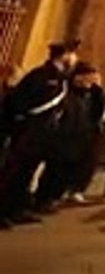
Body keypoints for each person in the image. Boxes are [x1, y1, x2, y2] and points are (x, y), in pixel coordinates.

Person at [0, 39, 78, 227]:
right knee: (13, 173)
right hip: (28, 134)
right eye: (73, 54)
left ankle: (17, 208)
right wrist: (19, 126)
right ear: (64, 55)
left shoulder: (61, 79)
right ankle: (3, 210)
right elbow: (18, 103)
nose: (75, 58)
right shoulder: (40, 76)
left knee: (27, 174)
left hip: (43, 137)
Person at [34, 61, 104, 210]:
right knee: (54, 171)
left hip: (79, 138)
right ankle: (43, 199)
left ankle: (53, 197)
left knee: (65, 172)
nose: (91, 82)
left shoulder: (89, 95)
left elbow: (99, 111)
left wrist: (98, 90)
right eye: (89, 78)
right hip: (63, 137)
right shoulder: (67, 92)